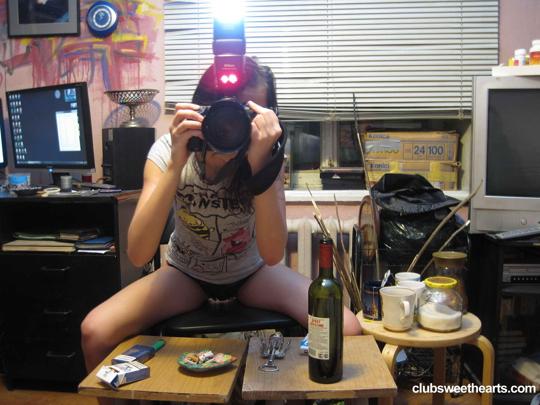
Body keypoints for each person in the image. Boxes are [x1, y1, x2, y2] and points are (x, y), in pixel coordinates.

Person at [81, 57, 361, 380]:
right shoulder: (170, 150)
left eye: (246, 114)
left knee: (348, 329)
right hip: (186, 272)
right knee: (94, 333)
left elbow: (272, 254)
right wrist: (176, 163)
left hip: (252, 272)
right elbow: (138, 254)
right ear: (203, 108)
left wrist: (260, 165)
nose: (231, 126)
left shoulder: (267, 157)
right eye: (224, 110)